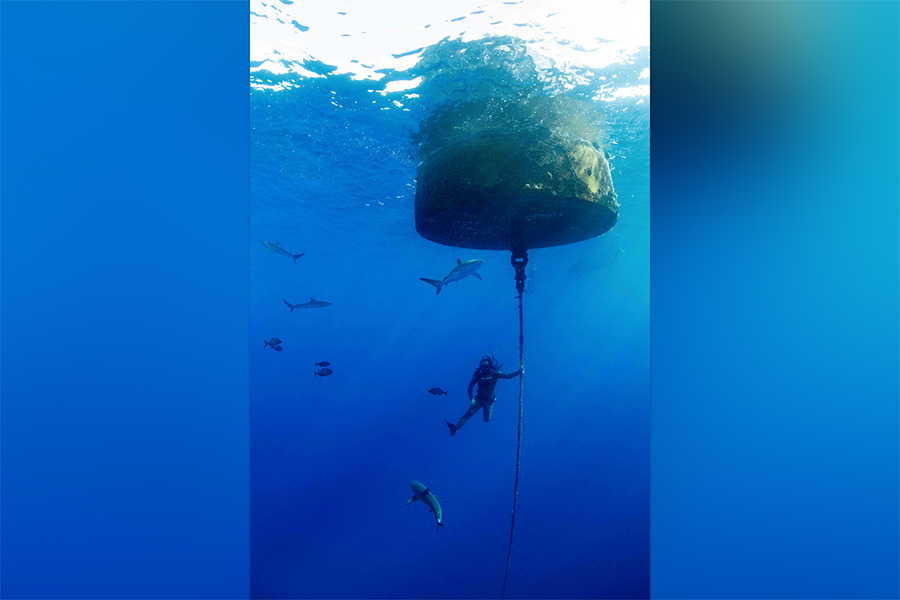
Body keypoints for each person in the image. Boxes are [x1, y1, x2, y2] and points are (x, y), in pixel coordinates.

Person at [446, 355, 522, 436]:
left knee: (486, 420)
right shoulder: (478, 375)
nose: (483, 367)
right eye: (482, 365)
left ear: (489, 365)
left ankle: (457, 427)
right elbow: (469, 388)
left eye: (485, 365)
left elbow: (508, 376)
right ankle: (456, 428)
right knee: (468, 414)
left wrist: (518, 372)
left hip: (489, 401)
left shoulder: (495, 374)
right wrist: (471, 399)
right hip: (478, 400)